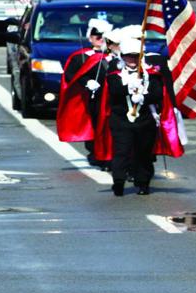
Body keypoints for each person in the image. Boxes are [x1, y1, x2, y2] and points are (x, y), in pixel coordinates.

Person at [99, 37, 178, 197]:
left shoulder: (151, 73)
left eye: (136, 55)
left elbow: (157, 93)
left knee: (144, 152)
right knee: (121, 151)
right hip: (121, 119)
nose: (132, 59)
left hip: (145, 120)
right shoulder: (115, 71)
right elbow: (113, 90)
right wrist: (128, 88)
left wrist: (144, 96)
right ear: (122, 56)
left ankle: (143, 182)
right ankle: (119, 182)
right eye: (129, 56)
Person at [57, 17, 114, 168]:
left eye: (104, 37)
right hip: (93, 99)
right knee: (97, 126)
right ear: (90, 38)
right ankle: (98, 154)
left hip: (113, 99)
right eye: (97, 36)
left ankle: (112, 155)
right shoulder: (81, 56)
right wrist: (86, 82)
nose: (101, 39)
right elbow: (70, 75)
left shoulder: (115, 56)